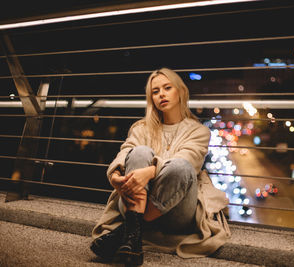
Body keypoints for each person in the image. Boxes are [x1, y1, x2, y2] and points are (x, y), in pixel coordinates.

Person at [90, 68, 231, 265]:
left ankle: (128, 230)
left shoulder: (199, 131)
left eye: (167, 88)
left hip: (177, 211)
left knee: (181, 167)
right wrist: (114, 176)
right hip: (133, 198)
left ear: (180, 91)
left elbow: (188, 160)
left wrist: (149, 172)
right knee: (139, 152)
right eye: (155, 91)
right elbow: (125, 152)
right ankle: (134, 239)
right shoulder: (141, 128)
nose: (161, 94)